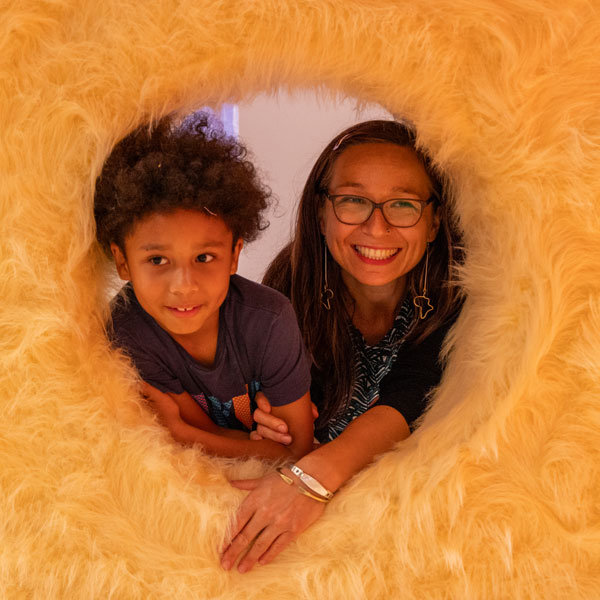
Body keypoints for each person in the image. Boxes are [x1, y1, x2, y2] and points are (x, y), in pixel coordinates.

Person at [220, 120, 462, 572]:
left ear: (433, 223)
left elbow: (414, 391)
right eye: (353, 200)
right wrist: (267, 419)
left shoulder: (463, 295)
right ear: (321, 212)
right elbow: (268, 410)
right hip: (331, 544)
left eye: (402, 205)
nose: (377, 226)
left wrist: (312, 478)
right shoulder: (283, 293)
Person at [94, 114, 314, 460]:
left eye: (204, 258)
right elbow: (206, 435)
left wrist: (181, 432)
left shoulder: (270, 321)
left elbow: (296, 451)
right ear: (122, 262)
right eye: (157, 261)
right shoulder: (128, 332)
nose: (183, 286)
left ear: (234, 254)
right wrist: (245, 445)